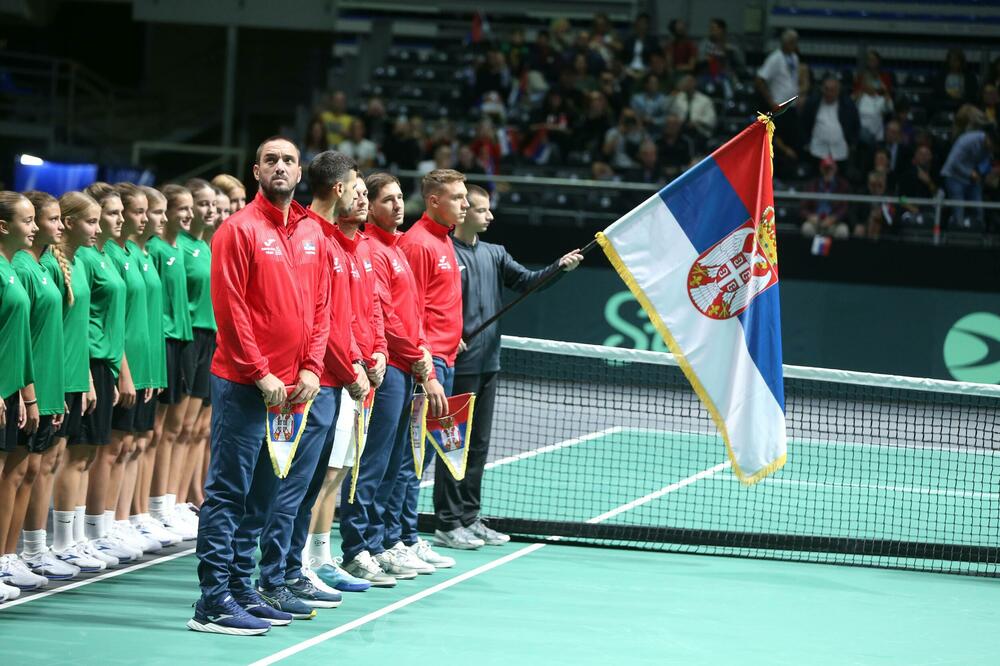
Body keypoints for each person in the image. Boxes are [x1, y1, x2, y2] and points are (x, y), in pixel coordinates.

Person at [190, 136, 331, 635]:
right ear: (256, 171)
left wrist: (312, 368)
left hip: (292, 392)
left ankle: (240, 586)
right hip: (245, 385)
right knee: (229, 493)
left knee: (265, 496)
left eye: (288, 161)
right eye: (270, 160)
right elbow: (231, 310)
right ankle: (211, 601)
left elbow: (320, 306)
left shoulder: (313, 233)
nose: (280, 167)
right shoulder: (237, 229)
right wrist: (260, 371)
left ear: (299, 174)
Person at [228, 150, 367, 617]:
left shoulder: (325, 237)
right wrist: (341, 372)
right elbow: (243, 310)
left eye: (290, 160)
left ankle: (287, 572)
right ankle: (270, 577)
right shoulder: (285, 232)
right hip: (299, 385)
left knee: (299, 487)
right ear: (339, 188)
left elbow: (327, 314)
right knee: (276, 489)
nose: (362, 197)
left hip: (314, 381)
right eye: (358, 188)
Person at [437, 184, 581, 547]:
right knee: (452, 445)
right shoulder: (443, 251)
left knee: (479, 447)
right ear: (465, 211)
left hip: (489, 364)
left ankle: (469, 517)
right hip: (457, 365)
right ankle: (447, 522)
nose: (491, 216)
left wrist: (559, 268)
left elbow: (528, 283)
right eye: (484, 210)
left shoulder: (495, 253)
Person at [338, 172, 438, 585]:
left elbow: (404, 314)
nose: (397, 206)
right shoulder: (373, 249)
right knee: (372, 463)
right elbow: (385, 316)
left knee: (393, 464)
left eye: (400, 198)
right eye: (387, 200)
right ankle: (357, 547)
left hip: (403, 368)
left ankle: (378, 543)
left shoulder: (396, 249)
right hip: (389, 371)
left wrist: (420, 352)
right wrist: (415, 356)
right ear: (371, 208)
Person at [304, 174, 387, 592]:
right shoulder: (329, 245)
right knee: (324, 473)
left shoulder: (364, 251)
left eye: (364, 196)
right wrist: (353, 363)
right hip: (337, 376)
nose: (362, 200)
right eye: (356, 193)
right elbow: (333, 320)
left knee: (339, 473)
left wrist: (381, 352)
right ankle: (303, 560)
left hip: (361, 375)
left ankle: (320, 555)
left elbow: (371, 311)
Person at [397, 169, 465, 551]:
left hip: (447, 358)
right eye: (457, 197)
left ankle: (405, 537)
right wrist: (426, 368)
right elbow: (411, 312)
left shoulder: (444, 241)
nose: (465, 205)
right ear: (434, 201)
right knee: (411, 455)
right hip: (428, 364)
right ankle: (402, 539)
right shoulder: (418, 243)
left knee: (421, 459)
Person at [17, 192, 76, 581]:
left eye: (55, 220)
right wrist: (30, 392)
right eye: (46, 219)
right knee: (22, 470)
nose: (49, 227)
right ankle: (23, 551)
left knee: (41, 464)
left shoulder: (47, 265)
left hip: (53, 379)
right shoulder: (22, 266)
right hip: (29, 382)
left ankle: (33, 549)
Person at [46, 192, 105, 573]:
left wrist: (85, 375)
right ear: (67, 222)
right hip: (54, 375)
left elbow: (77, 327)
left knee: (72, 454)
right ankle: (47, 544)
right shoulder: (50, 263)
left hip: (74, 373)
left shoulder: (79, 262)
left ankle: (70, 540)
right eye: (91, 222)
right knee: (45, 462)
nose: (97, 229)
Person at [77, 183, 132, 566]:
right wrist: (88, 373)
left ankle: (93, 532)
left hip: (107, 361)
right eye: (101, 217)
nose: (115, 222)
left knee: (95, 451)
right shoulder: (84, 259)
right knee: (76, 455)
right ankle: (69, 537)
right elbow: (81, 323)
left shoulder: (107, 257)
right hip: (90, 361)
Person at [147, 185, 196, 541]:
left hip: (184, 338)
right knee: (155, 430)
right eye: (181, 208)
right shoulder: (155, 249)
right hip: (163, 340)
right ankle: (153, 507)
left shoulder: (182, 248)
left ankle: (169, 503)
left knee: (179, 428)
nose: (188, 215)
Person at [0, 192, 39, 600]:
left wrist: (27, 397)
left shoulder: (11, 269)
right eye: (26, 221)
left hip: (12, 391)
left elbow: (19, 340)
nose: (34, 228)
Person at [756, 29, 803, 156]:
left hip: (792, 106)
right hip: (779, 106)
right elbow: (760, 79)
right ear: (785, 42)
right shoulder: (775, 58)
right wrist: (770, 101)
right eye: (792, 42)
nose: (795, 45)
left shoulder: (794, 57)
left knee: (791, 138)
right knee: (777, 140)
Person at [940, 128, 996, 229]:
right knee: (958, 208)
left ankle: (978, 234)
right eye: (992, 144)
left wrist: (981, 172)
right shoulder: (967, 141)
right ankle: (959, 235)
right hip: (954, 176)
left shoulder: (992, 146)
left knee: (978, 208)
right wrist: (970, 173)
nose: (992, 147)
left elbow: (987, 161)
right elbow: (954, 162)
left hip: (973, 178)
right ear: (987, 137)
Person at [801, 156, 851, 239]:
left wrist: (834, 218)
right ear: (821, 169)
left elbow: (845, 207)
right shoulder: (813, 185)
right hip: (816, 221)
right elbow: (803, 207)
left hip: (833, 222)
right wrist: (810, 216)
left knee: (843, 230)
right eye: (826, 168)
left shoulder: (842, 185)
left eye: (830, 168)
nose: (828, 171)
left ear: (835, 169)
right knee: (806, 228)